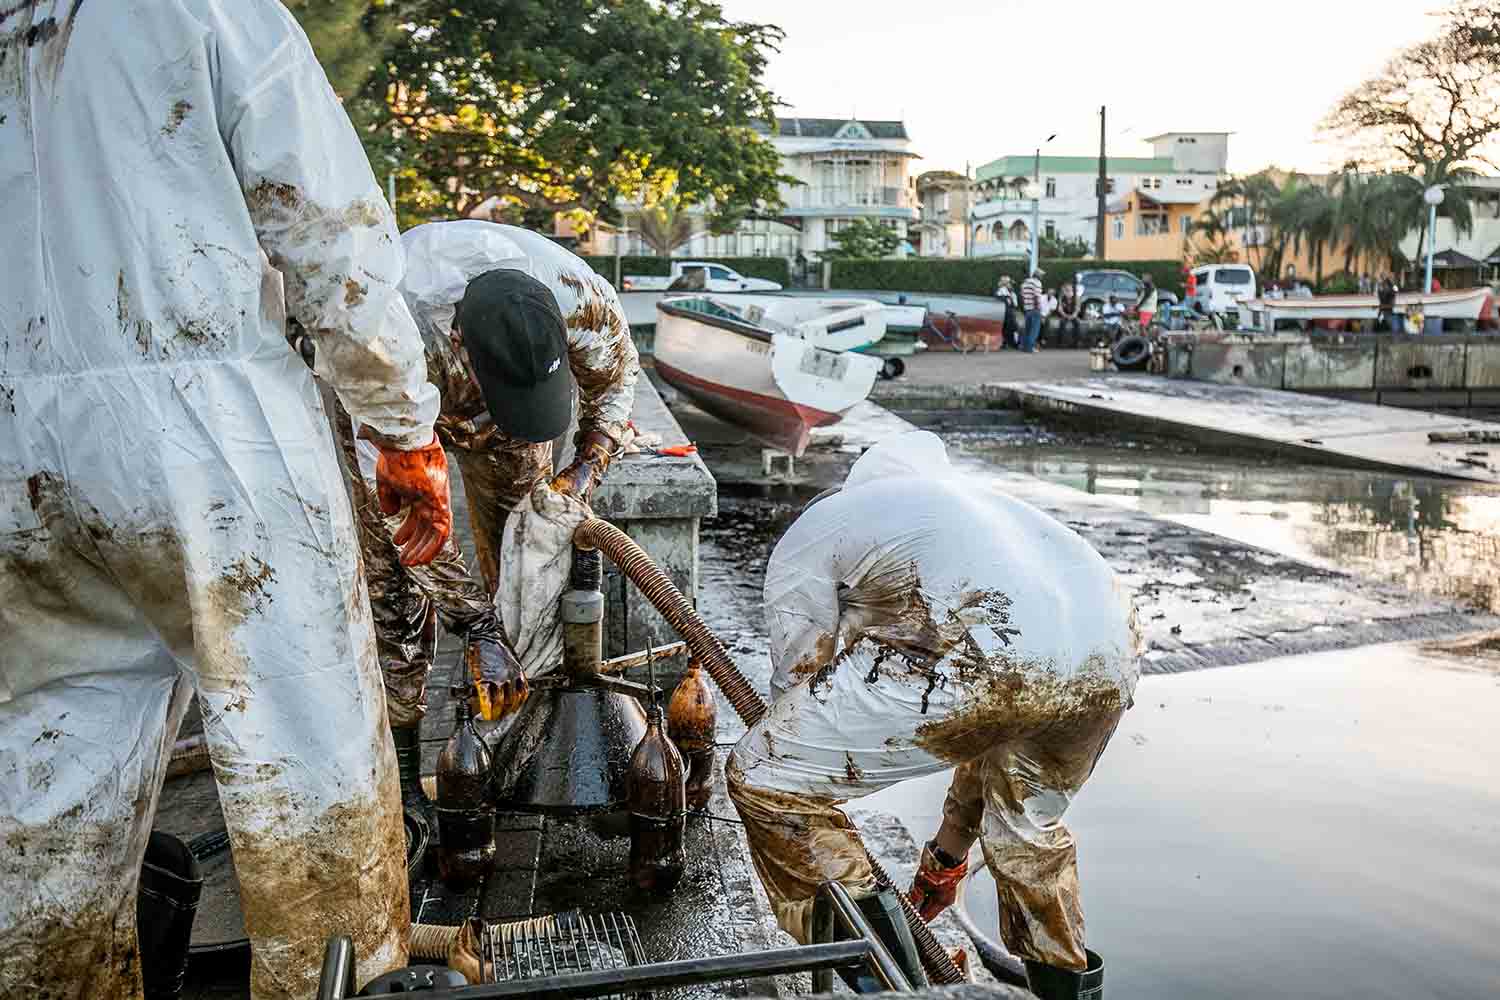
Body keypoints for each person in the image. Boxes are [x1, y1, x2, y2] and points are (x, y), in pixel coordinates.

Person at [0, 3, 450, 999]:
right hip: (209, 427)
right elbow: (324, 222)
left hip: (20, 455)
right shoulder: (207, 7)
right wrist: (402, 424)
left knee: (45, 803)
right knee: (309, 767)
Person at [727, 431, 1139, 999]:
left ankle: (894, 981)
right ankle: (1065, 993)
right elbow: (997, 726)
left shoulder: (832, 521)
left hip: (987, 657)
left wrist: (791, 747)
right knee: (1027, 830)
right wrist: (946, 859)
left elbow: (798, 678)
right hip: (1106, 660)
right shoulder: (986, 514)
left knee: (765, 778)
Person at [333, 220, 640, 838]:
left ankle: (515, 737)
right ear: (460, 344)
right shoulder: (385, 332)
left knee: (527, 565)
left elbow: (617, 381)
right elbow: (406, 521)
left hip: (494, 429)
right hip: (397, 423)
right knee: (391, 589)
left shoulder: (581, 301)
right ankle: (403, 773)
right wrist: (474, 624)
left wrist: (584, 467)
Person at [1021, 268, 1046, 352]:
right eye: (1042, 275)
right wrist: (1038, 308)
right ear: (1038, 275)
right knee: (1034, 331)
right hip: (1034, 309)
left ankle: (1024, 347)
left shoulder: (1025, 283)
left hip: (1027, 308)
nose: (1042, 277)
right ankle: (1030, 348)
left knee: (1027, 329)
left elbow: (1022, 295)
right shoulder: (1037, 283)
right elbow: (1036, 296)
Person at [996, 276, 1021, 349]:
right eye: (1009, 283)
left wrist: (1010, 300)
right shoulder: (1001, 290)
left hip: (1010, 312)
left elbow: (1015, 304)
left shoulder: (1012, 293)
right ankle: (1004, 343)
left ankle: (1015, 343)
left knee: (1014, 328)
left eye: (1010, 284)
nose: (1010, 285)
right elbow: (999, 298)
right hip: (1003, 312)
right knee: (1004, 328)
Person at [1056, 283, 1083, 347]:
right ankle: (1060, 342)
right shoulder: (1061, 298)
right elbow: (1060, 309)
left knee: (1077, 323)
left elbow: (1077, 309)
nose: (1068, 292)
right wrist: (1065, 315)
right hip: (1065, 315)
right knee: (1062, 323)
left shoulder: (1076, 298)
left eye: (1070, 290)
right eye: (1067, 290)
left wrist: (1073, 316)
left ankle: (1076, 342)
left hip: (1073, 315)